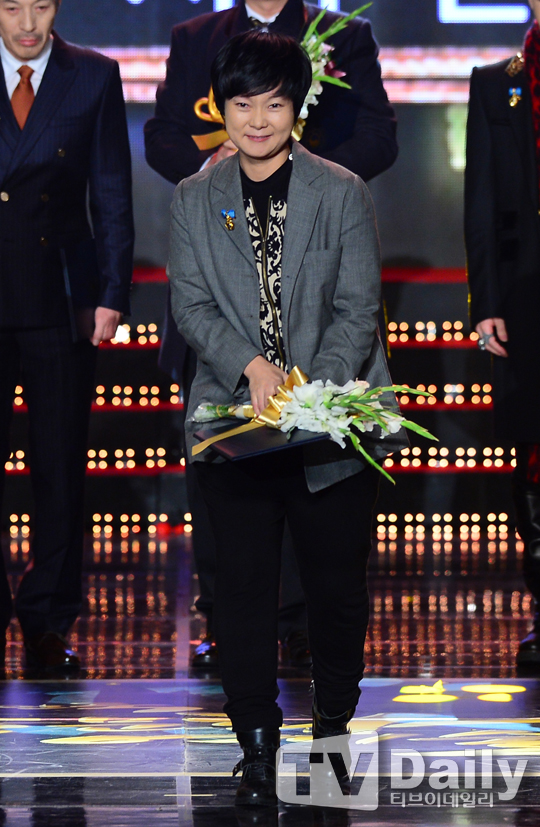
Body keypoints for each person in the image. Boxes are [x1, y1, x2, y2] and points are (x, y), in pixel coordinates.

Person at [167, 30, 405, 807]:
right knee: (239, 593)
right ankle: (257, 744)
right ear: (222, 109)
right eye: (243, 105)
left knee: (335, 591)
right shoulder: (193, 197)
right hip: (234, 425)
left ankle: (331, 731)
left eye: (273, 104)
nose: (258, 121)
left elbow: (358, 308)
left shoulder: (341, 191)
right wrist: (252, 365)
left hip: (330, 423)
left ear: (296, 108)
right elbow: (190, 305)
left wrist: (306, 389)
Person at [0, 0, 134, 674]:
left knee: (59, 466)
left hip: (59, 293)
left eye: (41, 5)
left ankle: (48, 619)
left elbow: (111, 191)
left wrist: (112, 292)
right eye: (12, 6)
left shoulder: (93, 74)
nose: (28, 22)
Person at [465, 0, 540, 666]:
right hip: (525, 294)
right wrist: (485, 299)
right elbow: (483, 197)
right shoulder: (497, 83)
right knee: (533, 447)